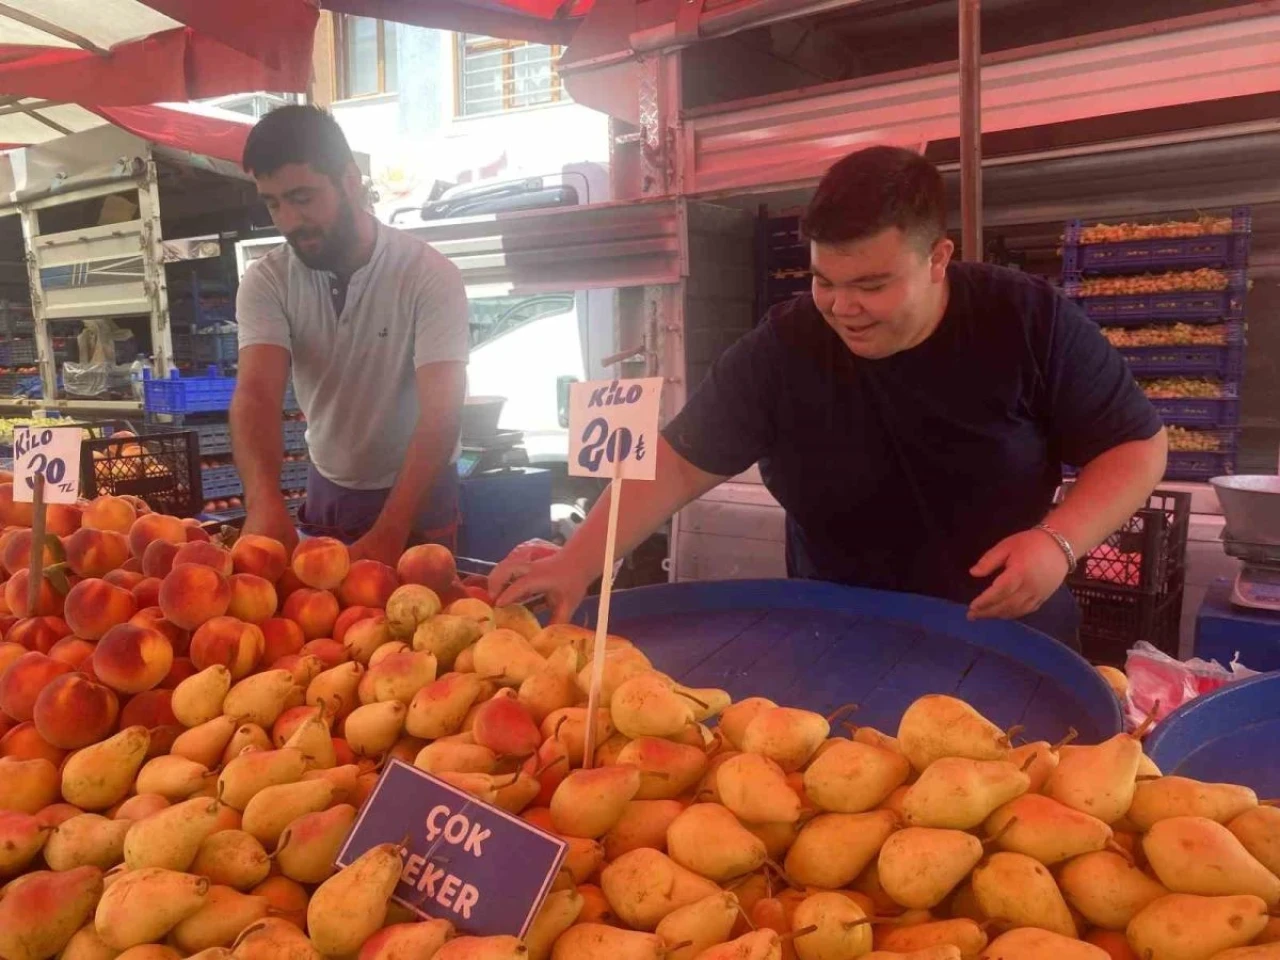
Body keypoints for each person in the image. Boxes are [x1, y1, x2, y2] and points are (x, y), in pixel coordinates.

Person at [489, 146, 1168, 649]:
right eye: (823, 280)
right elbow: (678, 463)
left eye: (872, 285)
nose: (844, 307)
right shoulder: (785, 345)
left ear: (939, 259)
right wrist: (579, 560)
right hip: (838, 633)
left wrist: (1059, 541)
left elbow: (1136, 447)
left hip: (1004, 631)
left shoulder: (1027, 321)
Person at [231, 106, 469, 565]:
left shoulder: (429, 275)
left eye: (303, 197)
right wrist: (262, 501)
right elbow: (257, 394)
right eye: (274, 203)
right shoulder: (267, 281)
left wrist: (392, 529)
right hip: (330, 484)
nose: (289, 221)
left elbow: (441, 413)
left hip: (421, 489)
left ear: (350, 179)